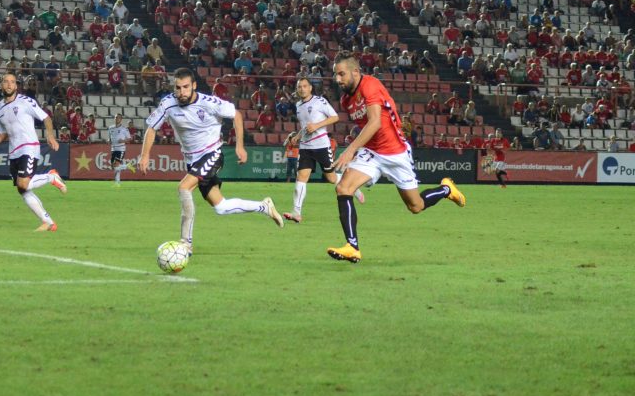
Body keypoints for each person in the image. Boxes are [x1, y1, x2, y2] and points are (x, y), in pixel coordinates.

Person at [327, 52, 466, 263]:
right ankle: (352, 247)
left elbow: (375, 123)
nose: (338, 80)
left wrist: (350, 149)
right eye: (336, 75)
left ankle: (446, 189)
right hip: (372, 153)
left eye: (341, 74)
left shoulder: (370, 85)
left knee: (416, 206)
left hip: (396, 153)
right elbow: (368, 128)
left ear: (355, 71)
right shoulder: (346, 100)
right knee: (343, 188)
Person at [138, 68, 284, 254]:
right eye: (178, 88)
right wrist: (145, 155)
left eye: (185, 87)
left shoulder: (209, 103)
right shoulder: (168, 103)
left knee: (183, 188)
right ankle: (264, 207)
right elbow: (152, 127)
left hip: (212, 154)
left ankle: (186, 243)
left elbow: (237, 115)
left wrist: (240, 146)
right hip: (192, 160)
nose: (181, 92)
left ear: (194, 86)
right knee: (221, 207)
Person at [0, 73, 67, 232]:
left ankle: (51, 176)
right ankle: (48, 222)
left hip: (29, 146)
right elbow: (2, 134)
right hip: (13, 151)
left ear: (16, 86)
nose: (9, 85)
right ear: (1, 85)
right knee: (22, 189)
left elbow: (46, 118)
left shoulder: (26, 101)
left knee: (24, 183)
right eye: (6, 82)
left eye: (12, 82)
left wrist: (50, 135)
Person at [282, 77, 364, 224]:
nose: (302, 89)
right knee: (301, 177)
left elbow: (334, 117)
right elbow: (306, 125)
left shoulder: (319, 101)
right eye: (299, 86)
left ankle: (353, 186)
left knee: (331, 178)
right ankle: (296, 212)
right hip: (306, 147)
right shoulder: (299, 105)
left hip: (321, 146)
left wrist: (318, 125)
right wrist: (298, 136)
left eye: (305, 86)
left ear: (310, 88)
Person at [108, 113, 136, 186]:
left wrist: (123, 141)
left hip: (121, 149)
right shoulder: (110, 128)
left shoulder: (124, 129)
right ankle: (127, 167)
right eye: (116, 117)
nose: (117, 119)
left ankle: (117, 182)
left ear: (121, 119)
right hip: (113, 148)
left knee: (116, 165)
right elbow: (110, 137)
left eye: (119, 118)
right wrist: (109, 140)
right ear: (114, 118)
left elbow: (130, 138)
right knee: (113, 166)